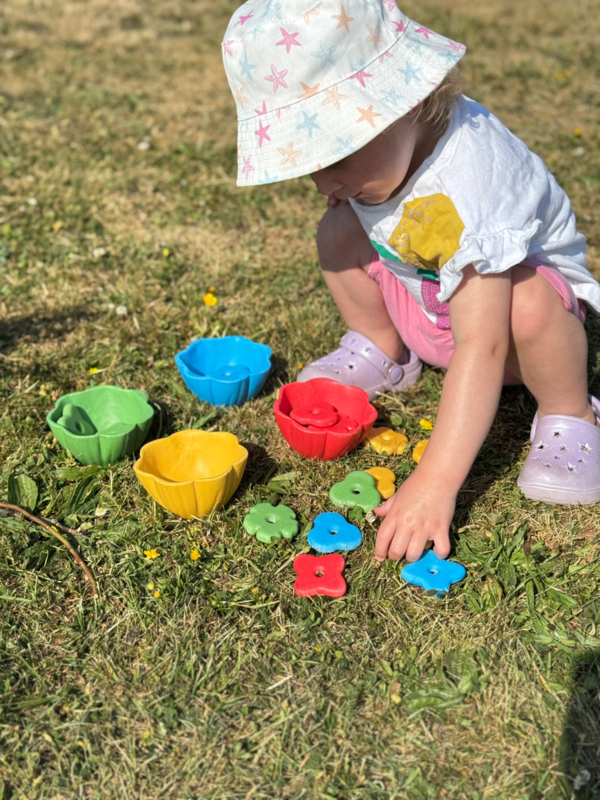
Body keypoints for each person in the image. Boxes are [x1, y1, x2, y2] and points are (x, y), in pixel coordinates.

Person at [222, 0, 600, 563]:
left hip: (519, 343)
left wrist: (434, 482)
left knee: (528, 303)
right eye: (308, 163)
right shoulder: (387, 155)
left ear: (409, 99)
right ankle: (384, 349)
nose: (322, 181)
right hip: (428, 307)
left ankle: (571, 414)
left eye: (336, 156)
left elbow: (484, 344)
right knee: (339, 228)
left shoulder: (472, 182)